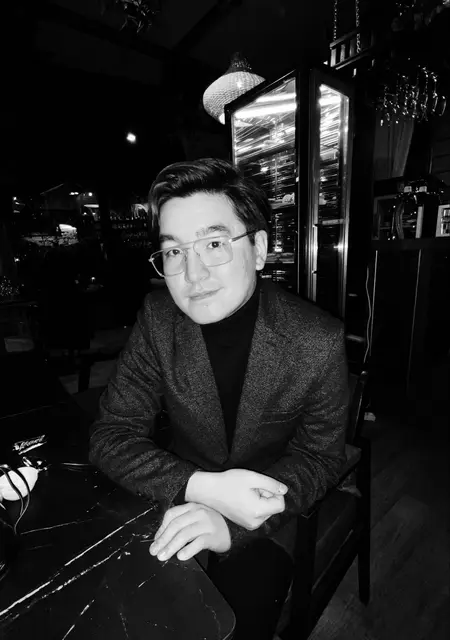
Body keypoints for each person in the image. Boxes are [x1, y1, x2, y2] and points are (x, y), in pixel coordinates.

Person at [89, 158, 349, 640]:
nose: (193, 273)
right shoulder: (158, 320)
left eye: (213, 244)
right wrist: (199, 487)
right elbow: (111, 434)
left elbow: (320, 458)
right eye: (174, 251)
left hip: (271, 513)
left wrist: (234, 527)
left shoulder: (317, 340)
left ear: (258, 249)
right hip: (175, 491)